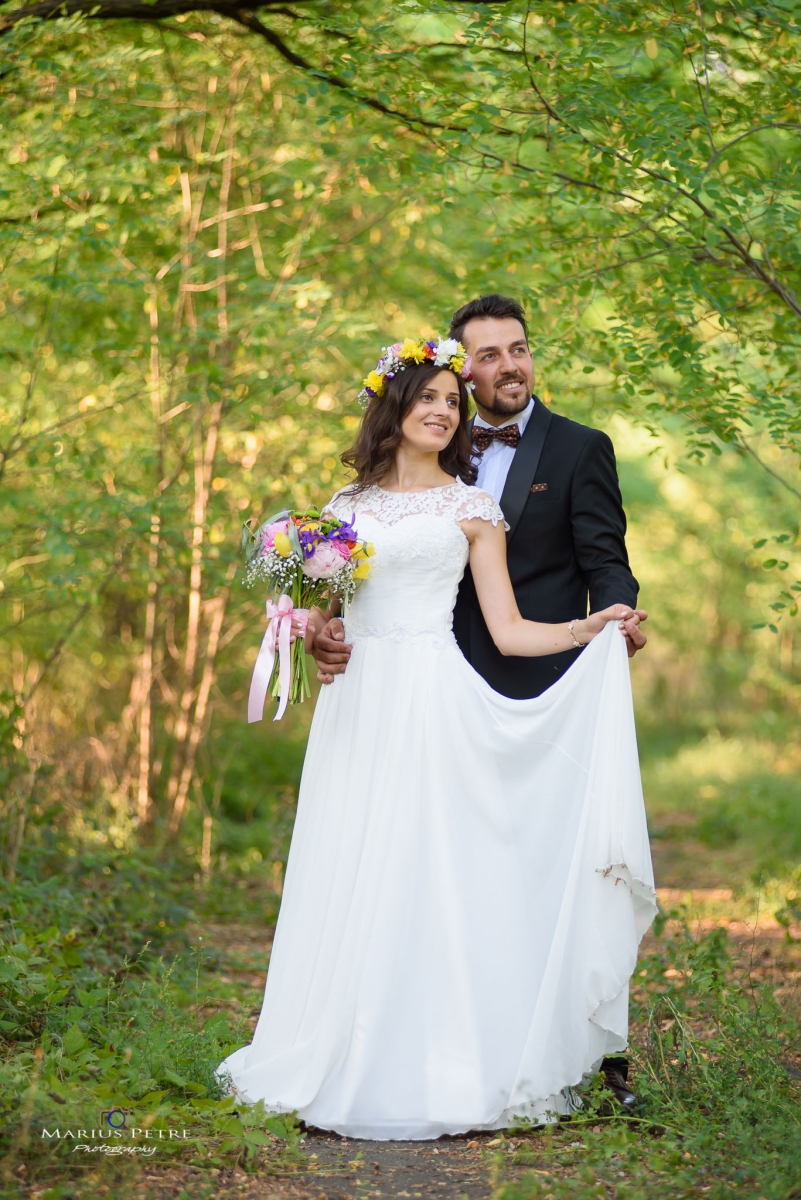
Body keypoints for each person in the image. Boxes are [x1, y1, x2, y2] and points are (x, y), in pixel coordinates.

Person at [218, 338, 656, 1139]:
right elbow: (327, 615)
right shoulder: (340, 511)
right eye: (428, 397)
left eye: (453, 402)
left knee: (438, 865)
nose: (442, 410)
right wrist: (308, 629)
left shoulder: (471, 508)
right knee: (353, 858)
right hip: (358, 705)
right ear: (395, 407)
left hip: (433, 695)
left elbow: (511, 630)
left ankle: (449, 1054)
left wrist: (587, 628)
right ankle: (336, 1041)